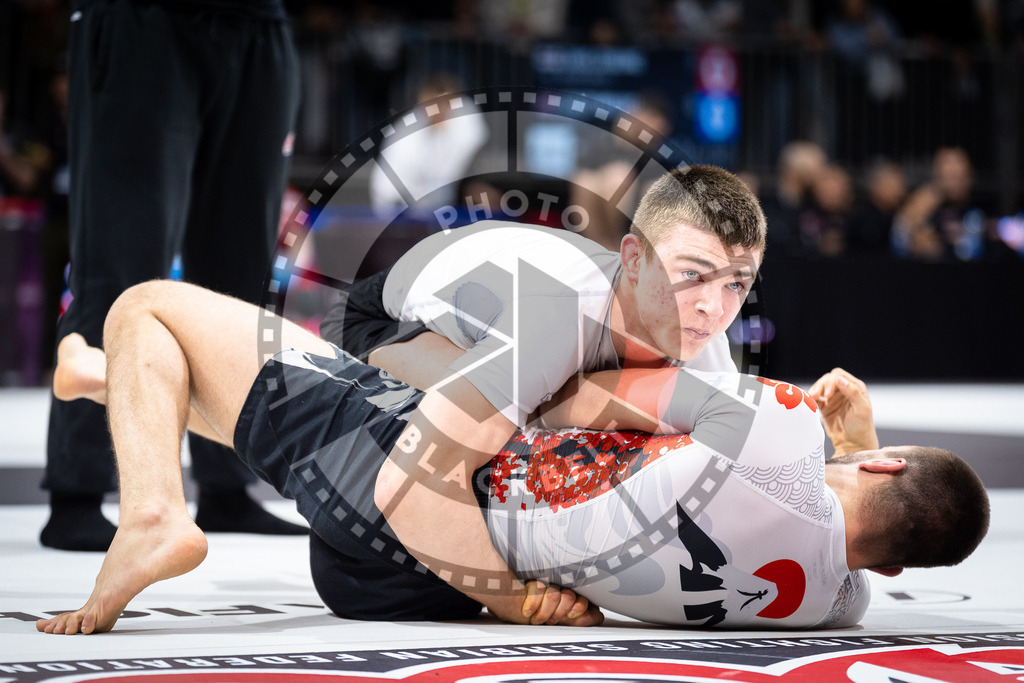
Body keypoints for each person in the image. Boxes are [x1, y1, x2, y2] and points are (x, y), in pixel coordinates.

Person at [36, 280, 990, 634]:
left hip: (419, 484)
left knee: (148, 308)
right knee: (271, 382)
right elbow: (870, 538)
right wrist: (863, 454)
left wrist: (842, 425)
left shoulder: (781, 432)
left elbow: (598, 387)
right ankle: (102, 377)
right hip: (420, 581)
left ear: (881, 468)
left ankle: (155, 507)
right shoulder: (833, 608)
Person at [315, 164, 766, 625]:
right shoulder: (555, 318)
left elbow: (742, 477)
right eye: (691, 274)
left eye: (736, 283)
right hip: (374, 318)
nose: (713, 308)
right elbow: (408, 483)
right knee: (508, 432)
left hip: (510, 314)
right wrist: (516, 599)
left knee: (594, 420)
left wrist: (833, 438)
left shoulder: (701, 337)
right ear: (633, 258)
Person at [42, 0, 306, 552]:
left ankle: (227, 485)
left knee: (240, 283)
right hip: (142, 23)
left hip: (261, 25)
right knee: (119, 266)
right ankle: (77, 491)